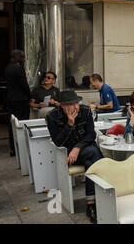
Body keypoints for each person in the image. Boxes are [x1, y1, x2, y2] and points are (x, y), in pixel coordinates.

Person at [46, 90, 103, 223]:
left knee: (91, 163)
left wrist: (77, 148)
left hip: (84, 149)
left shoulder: (85, 111)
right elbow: (59, 142)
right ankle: (100, 200)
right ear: (62, 106)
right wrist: (69, 124)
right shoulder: (52, 117)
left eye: (76, 103)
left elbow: (91, 135)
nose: (76, 107)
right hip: (68, 155)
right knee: (96, 156)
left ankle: (91, 205)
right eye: (71, 104)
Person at [5, 49, 31, 156]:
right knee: (22, 123)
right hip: (21, 100)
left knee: (12, 124)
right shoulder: (18, 68)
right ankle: (22, 148)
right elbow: (24, 84)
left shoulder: (7, 68)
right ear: (16, 57)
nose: (23, 59)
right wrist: (30, 96)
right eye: (22, 57)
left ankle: (13, 148)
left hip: (11, 99)